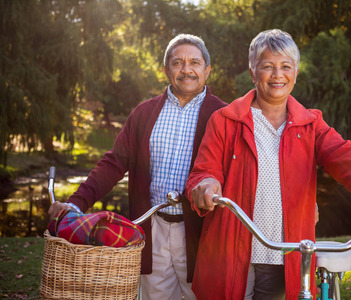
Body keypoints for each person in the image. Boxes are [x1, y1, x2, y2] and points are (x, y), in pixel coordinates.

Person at [185, 29, 351, 300]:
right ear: (253, 72)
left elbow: (345, 156)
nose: (277, 74)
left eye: (286, 66)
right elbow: (204, 171)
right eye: (267, 66)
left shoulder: (310, 124)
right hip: (229, 250)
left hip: (284, 251)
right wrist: (206, 184)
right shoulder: (225, 120)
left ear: (295, 74)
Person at [48, 34, 227, 300]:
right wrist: (76, 204)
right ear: (166, 69)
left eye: (195, 63)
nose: (186, 69)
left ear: (207, 70)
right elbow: (113, 163)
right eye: (177, 62)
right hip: (151, 231)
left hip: (203, 235)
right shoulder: (144, 113)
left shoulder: (224, 115)